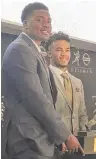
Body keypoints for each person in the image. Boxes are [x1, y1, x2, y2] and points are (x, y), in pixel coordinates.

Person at [2, 2, 84, 159]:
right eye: (40, 20)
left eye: (49, 21)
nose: (46, 24)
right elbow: (36, 99)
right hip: (27, 141)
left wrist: (57, 137)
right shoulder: (20, 49)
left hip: (39, 140)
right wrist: (66, 135)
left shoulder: (34, 50)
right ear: (25, 25)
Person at [45, 32, 88, 136]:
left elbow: (82, 114)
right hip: (53, 145)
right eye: (59, 50)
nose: (64, 54)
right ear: (49, 53)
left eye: (67, 50)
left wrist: (83, 138)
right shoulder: (44, 78)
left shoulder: (77, 82)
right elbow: (45, 115)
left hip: (77, 146)